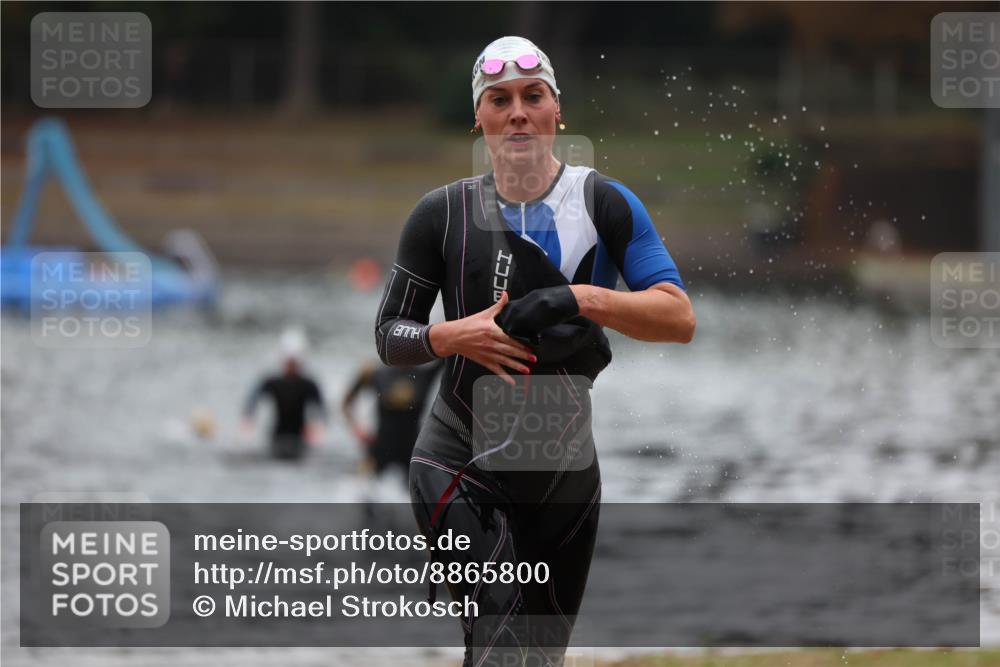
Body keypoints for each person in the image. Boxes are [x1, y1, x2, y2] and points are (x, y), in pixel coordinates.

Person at [374, 36, 695, 666]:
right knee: (498, 637)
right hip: (457, 460)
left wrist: (584, 299)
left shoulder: (605, 204)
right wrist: (449, 334)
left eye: (532, 96)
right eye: (500, 99)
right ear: (480, 118)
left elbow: (678, 318)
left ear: (556, 111)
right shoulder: (440, 215)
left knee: (536, 659)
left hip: (564, 472)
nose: (517, 111)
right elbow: (390, 335)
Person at [341, 359, 443, 477]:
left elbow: (451, 355)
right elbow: (346, 403)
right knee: (364, 487)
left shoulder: (425, 374)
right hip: (381, 447)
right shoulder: (375, 373)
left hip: (412, 449)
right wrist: (358, 430)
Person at [243, 330, 327, 460]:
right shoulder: (272, 382)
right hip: (276, 438)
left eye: (294, 362)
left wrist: (316, 430)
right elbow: (252, 402)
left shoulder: (309, 385)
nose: (291, 366)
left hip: (300, 440)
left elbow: (321, 411)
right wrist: (247, 424)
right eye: (289, 362)